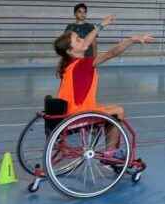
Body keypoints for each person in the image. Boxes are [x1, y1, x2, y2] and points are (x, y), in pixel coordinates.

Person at [53, 14, 154, 150]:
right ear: (71, 50)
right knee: (118, 111)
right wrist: (132, 39)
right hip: (79, 113)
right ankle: (110, 154)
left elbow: (87, 42)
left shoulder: (68, 63)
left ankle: (100, 141)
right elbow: (110, 54)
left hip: (67, 112)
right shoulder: (83, 64)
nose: (82, 39)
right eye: (78, 40)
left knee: (110, 109)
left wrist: (101, 25)